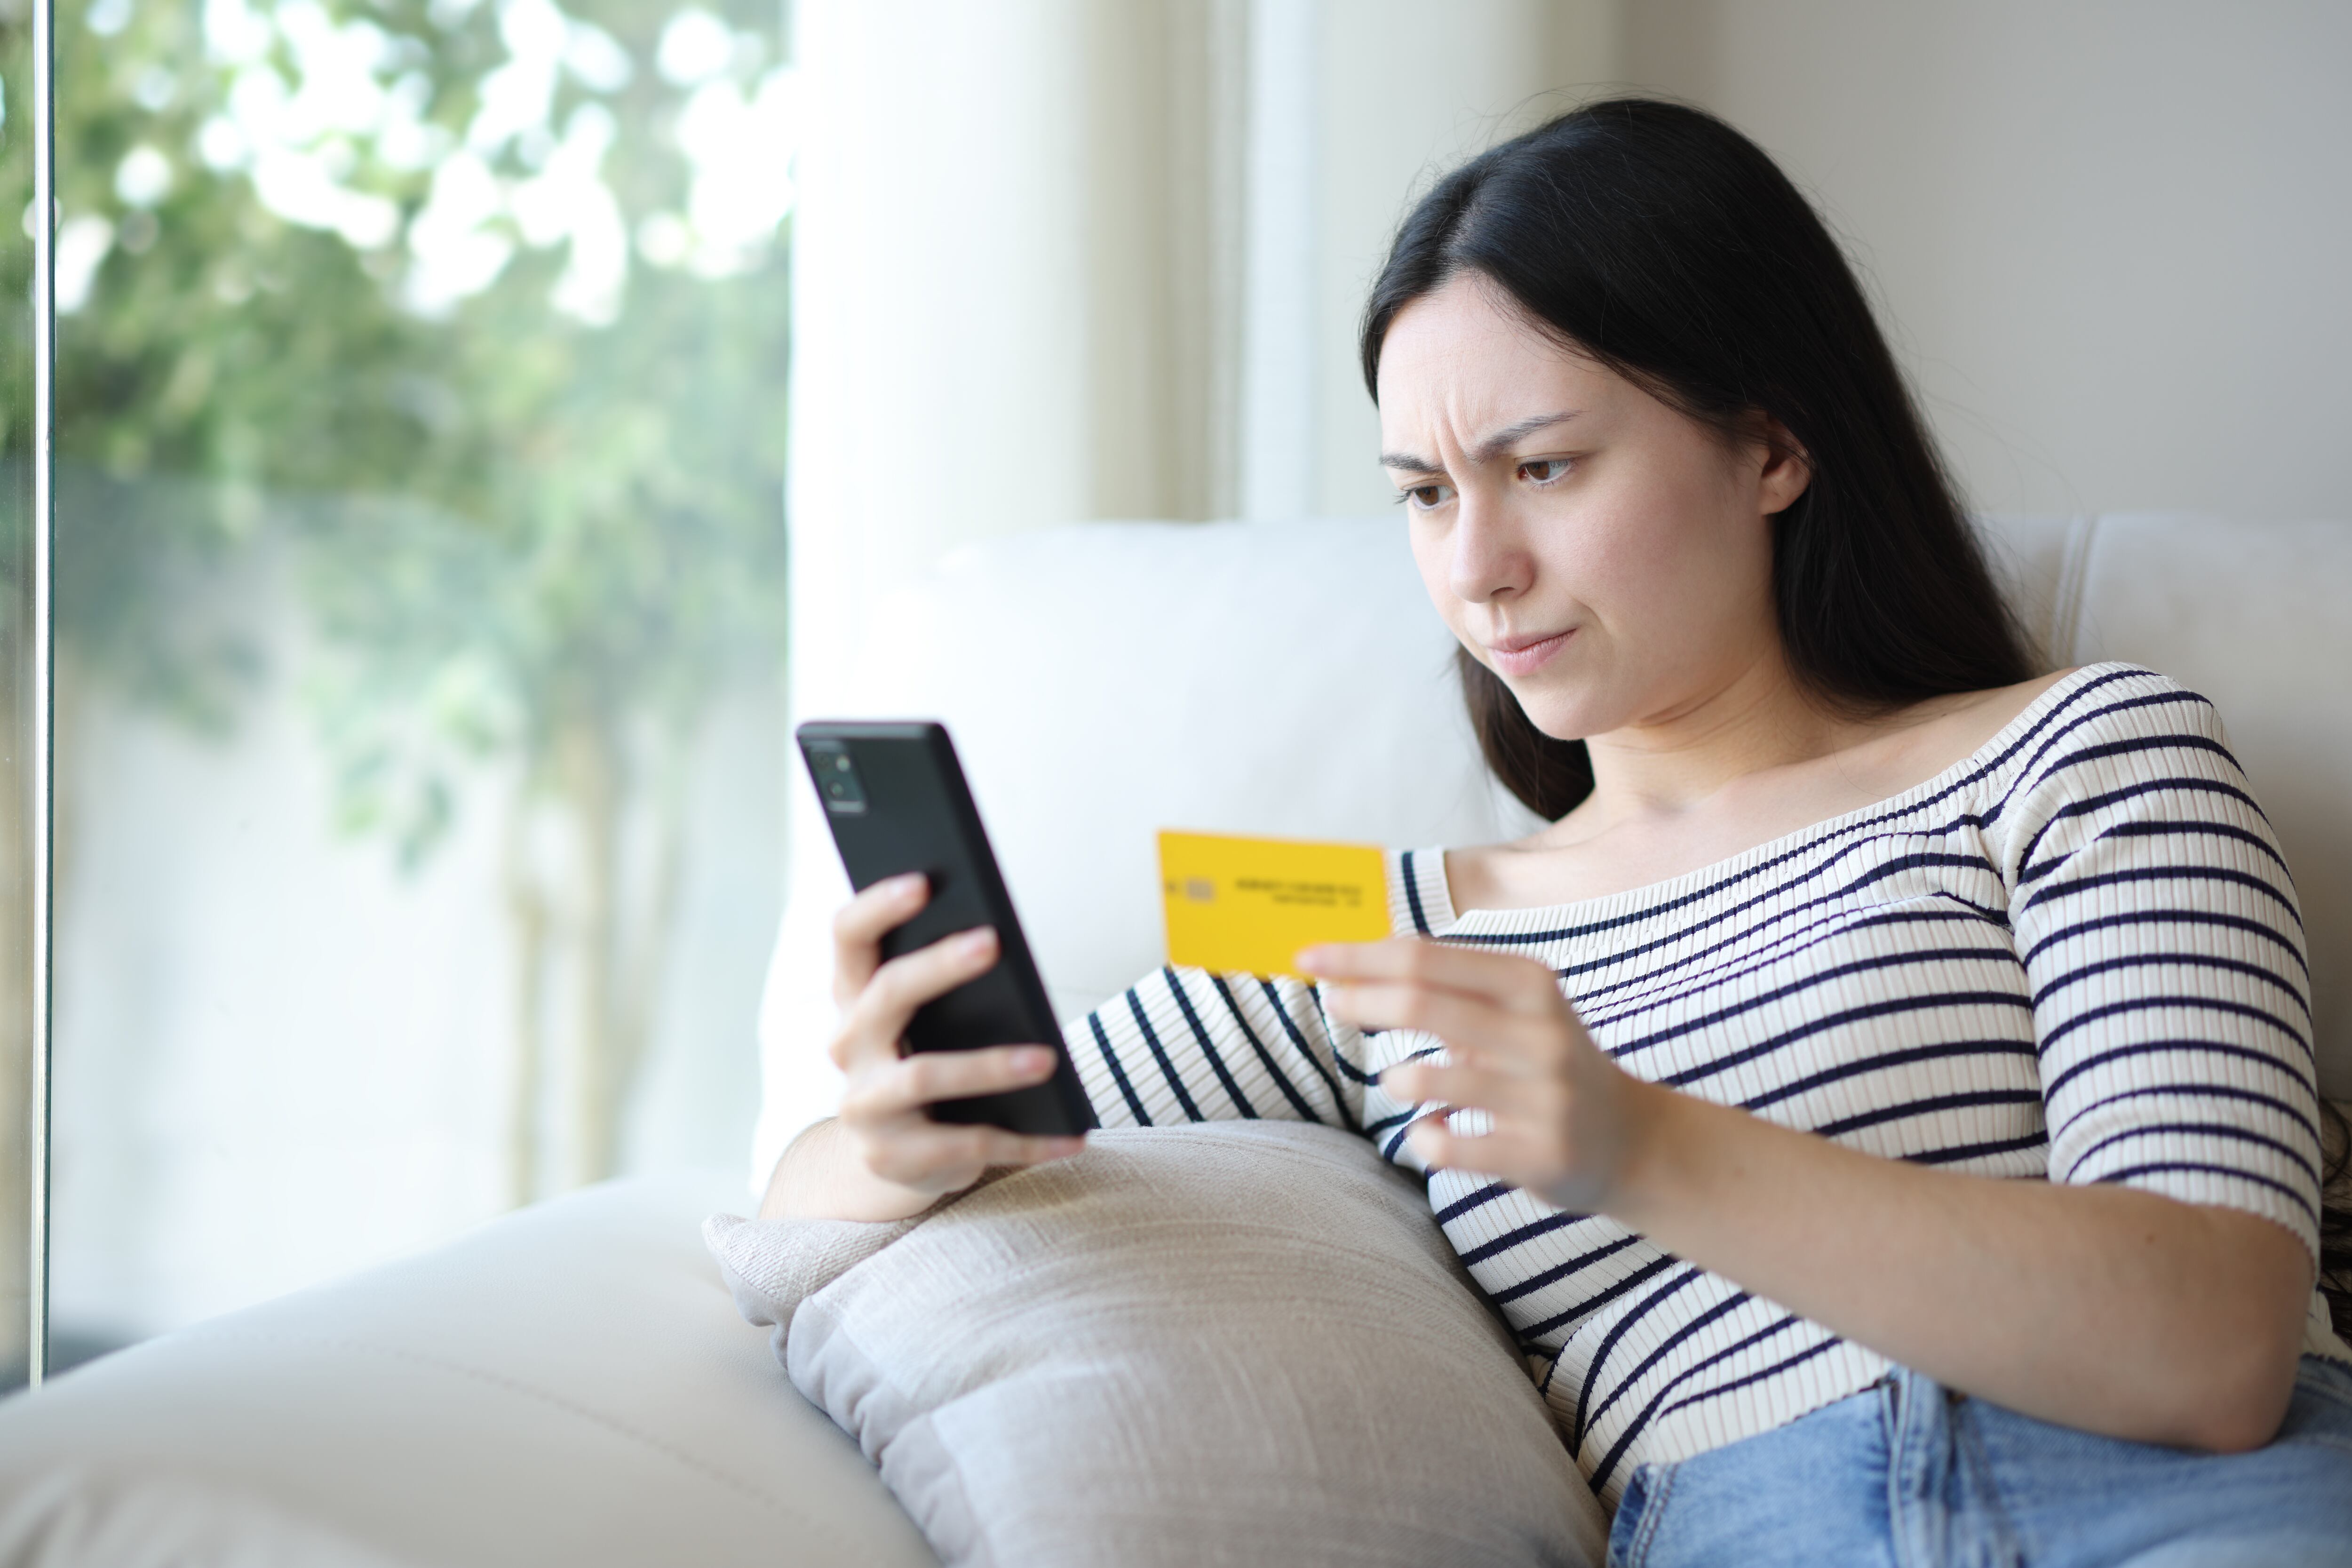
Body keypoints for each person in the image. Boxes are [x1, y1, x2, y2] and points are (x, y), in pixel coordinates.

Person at [763, 99, 2352, 1566]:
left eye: (1544, 467)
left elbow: (2209, 1347)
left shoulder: (2088, 748)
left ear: (1775, 446)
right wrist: (891, 1141)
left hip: (2181, 1510)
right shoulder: (1372, 925)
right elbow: (834, 1193)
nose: (1479, 571)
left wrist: (1639, 1145)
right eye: (1425, 495)